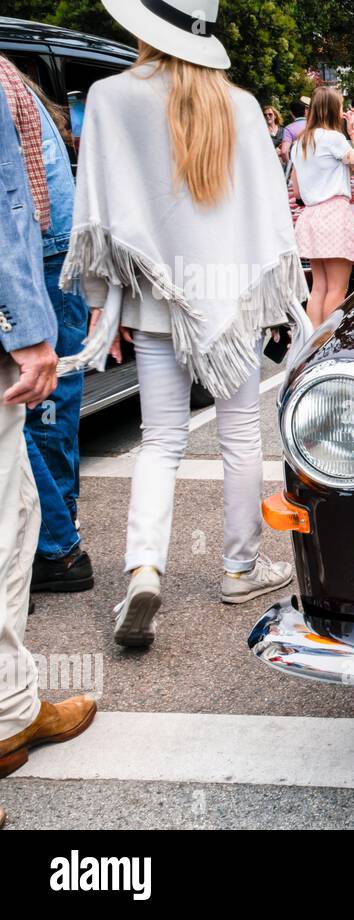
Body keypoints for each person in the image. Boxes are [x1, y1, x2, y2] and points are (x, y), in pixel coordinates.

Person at [62, 0, 305, 648]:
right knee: (239, 435)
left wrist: (98, 301)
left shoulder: (113, 98)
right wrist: (274, 300)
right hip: (226, 304)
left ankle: (144, 567)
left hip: (154, 301)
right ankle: (239, 566)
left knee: (162, 439)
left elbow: (97, 215)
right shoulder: (242, 106)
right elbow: (267, 212)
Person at [0, 77, 98, 781]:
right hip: (30, 284)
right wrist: (26, 325)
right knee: (9, 518)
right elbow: (17, 209)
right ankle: (7, 712)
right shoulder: (10, 82)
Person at [2, 63, 95, 593]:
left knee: (24, 403)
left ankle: (57, 546)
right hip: (60, 250)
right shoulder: (15, 80)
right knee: (53, 406)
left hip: (34, 253)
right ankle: (60, 528)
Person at [290, 85, 354, 326]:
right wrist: (352, 132)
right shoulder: (334, 139)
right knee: (337, 290)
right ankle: (327, 346)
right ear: (332, 109)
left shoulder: (300, 144)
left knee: (318, 288)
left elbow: (296, 191)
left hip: (310, 217)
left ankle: (311, 348)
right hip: (334, 216)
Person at [279, 95, 309, 162]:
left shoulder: (288, 129)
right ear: (305, 111)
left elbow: (284, 151)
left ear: (291, 113)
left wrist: (289, 163)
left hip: (298, 166)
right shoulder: (315, 125)